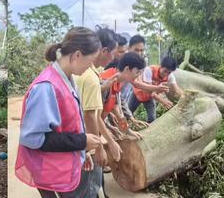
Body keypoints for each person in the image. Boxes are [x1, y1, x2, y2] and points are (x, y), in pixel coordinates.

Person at [15, 27, 103, 198]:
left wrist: (81, 152)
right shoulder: (46, 87)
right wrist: (81, 141)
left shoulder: (69, 80)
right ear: (77, 55)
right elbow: (32, 138)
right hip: (48, 169)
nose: (91, 67)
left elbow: (71, 123)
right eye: (91, 60)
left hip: (61, 165)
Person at [75, 27, 122, 198]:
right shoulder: (91, 77)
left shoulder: (83, 73)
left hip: (78, 140)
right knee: (89, 188)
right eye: (113, 53)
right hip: (87, 142)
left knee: (90, 185)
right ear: (103, 51)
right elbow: (90, 115)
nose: (113, 57)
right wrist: (99, 147)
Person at [99, 52, 148, 138]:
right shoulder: (105, 84)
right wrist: (108, 131)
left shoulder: (117, 83)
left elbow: (119, 106)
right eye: (137, 72)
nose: (138, 76)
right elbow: (93, 116)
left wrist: (131, 120)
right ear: (127, 69)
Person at [129, 56, 184, 123]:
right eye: (165, 71)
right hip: (137, 94)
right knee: (127, 113)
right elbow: (148, 90)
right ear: (161, 66)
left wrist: (186, 96)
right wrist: (162, 100)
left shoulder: (170, 76)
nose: (166, 74)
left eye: (169, 72)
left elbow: (176, 89)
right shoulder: (149, 70)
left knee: (152, 119)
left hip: (149, 98)